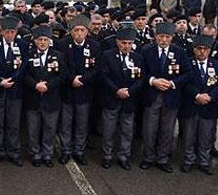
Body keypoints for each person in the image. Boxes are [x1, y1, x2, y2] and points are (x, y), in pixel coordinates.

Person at [139, 22, 191, 172]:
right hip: (152, 95)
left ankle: (162, 158)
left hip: (171, 96)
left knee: (167, 130)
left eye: (167, 37)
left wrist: (172, 83)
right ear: (156, 37)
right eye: (161, 36)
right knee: (149, 128)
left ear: (172, 37)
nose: (164, 40)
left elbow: (187, 73)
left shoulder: (180, 52)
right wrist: (153, 81)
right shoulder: (146, 51)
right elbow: (140, 71)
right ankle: (148, 157)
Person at [56, 15, 100, 165]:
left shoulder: (94, 46)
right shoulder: (62, 45)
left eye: (82, 30)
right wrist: (71, 79)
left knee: (82, 123)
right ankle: (66, 150)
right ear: (71, 31)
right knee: (66, 123)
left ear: (87, 31)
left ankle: (79, 150)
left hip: (84, 91)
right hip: (67, 91)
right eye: (76, 30)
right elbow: (61, 67)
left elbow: (96, 69)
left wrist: (82, 80)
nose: (79, 33)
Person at [100, 27, 143, 170]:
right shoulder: (107, 55)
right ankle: (107, 155)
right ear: (118, 42)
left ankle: (124, 156)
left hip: (129, 99)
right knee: (109, 129)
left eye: (129, 43)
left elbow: (141, 79)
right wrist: (117, 90)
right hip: (112, 97)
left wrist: (129, 91)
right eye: (123, 43)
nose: (126, 46)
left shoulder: (137, 58)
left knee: (127, 130)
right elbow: (104, 76)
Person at [23, 26, 67, 167]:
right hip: (33, 97)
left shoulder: (59, 56)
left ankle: (47, 154)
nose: (42, 42)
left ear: (50, 41)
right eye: (40, 40)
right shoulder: (28, 55)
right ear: (35, 41)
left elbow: (63, 75)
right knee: (33, 129)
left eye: (45, 40)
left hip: (51, 97)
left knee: (50, 128)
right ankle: (35, 154)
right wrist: (35, 85)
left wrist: (48, 85)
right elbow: (24, 74)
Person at [180, 35, 218, 174]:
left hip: (209, 106)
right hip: (191, 104)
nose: (202, 52)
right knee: (189, 135)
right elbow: (185, 82)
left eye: (206, 49)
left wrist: (210, 96)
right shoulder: (187, 63)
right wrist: (197, 95)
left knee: (206, 136)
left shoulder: (217, 65)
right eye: (199, 49)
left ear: (209, 50)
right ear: (194, 50)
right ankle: (188, 160)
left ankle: (204, 161)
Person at [0, 16, 27, 166]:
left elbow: (23, 66)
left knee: (13, 123)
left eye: (13, 32)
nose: (10, 35)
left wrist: (12, 80)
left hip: (14, 90)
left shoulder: (22, 45)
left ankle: (14, 152)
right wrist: (0, 81)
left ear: (16, 31)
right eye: (7, 32)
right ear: (2, 32)